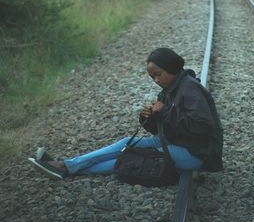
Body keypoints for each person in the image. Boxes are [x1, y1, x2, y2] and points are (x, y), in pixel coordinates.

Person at [28, 47, 223, 180]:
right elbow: (159, 129)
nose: (155, 80)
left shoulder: (190, 89)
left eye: (158, 74)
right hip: (178, 141)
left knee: (133, 156)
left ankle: (65, 167)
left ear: (171, 68)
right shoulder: (170, 89)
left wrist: (164, 112)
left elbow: (203, 127)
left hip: (197, 153)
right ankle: (66, 166)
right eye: (152, 76)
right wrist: (149, 117)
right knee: (126, 143)